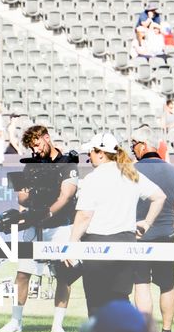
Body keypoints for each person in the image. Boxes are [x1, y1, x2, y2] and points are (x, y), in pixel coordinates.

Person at [53, 134, 165, 316]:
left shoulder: (93, 178)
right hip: (126, 243)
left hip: (97, 245)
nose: (89, 156)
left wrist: (71, 244)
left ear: (101, 154)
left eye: (91, 151)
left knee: (97, 301)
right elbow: (159, 197)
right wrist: (146, 223)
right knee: (120, 298)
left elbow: (84, 215)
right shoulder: (131, 174)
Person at [0, 124, 82, 332]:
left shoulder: (67, 163)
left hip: (61, 226)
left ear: (46, 138)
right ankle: (16, 321)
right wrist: (22, 192)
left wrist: (47, 213)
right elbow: (23, 199)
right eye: (31, 147)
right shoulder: (32, 165)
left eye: (36, 144)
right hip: (35, 226)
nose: (35, 150)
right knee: (23, 273)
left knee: (63, 276)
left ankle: (57, 323)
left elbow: (65, 197)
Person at [128, 130, 174, 332]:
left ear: (143, 145)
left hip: (138, 237)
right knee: (167, 284)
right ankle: (167, 331)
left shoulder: (130, 170)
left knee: (141, 283)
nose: (132, 148)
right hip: (165, 236)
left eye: (134, 144)